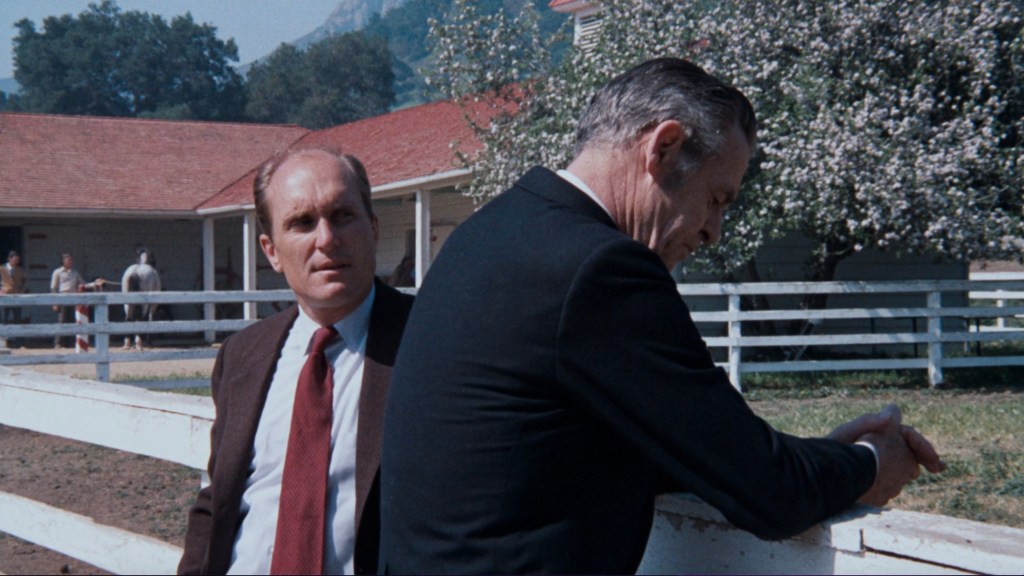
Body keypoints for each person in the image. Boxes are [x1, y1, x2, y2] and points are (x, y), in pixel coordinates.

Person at [378, 58, 946, 574]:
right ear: (664, 147)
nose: (714, 231)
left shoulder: (486, 234)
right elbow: (770, 493)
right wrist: (873, 462)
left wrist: (824, 458)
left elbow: (675, 448)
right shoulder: (600, 270)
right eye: (717, 199)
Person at [178, 146, 414, 575]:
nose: (327, 239)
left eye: (343, 215)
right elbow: (216, 501)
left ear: (374, 228)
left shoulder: (427, 343)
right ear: (271, 250)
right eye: (302, 222)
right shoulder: (242, 356)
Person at [50, 252, 103, 349]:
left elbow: (83, 284)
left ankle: (68, 343)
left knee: (72, 321)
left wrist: (94, 284)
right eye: (69, 260)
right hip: (62, 298)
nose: (71, 261)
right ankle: (58, 343)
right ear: (63, 261)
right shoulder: (57, 272)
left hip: (74, 299)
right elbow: (54, 288)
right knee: (62, 321)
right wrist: (55, 302)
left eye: (71, 260)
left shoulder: (75, 273)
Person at [121, 248, 162, 350]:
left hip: (128, 275)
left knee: (129, 311)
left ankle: (127, 340)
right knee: (144, 311)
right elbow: (154, 307)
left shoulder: (130, 269)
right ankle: (139, 340)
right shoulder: (152, 272)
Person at [1, 250, 28, 324]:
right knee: (4, 317)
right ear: (10, 259)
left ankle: (17, 331)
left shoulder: (20, 270)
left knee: (17, 317)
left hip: (17, 295)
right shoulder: (2, 269)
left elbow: (24, 281)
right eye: (15, 259)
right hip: (5, 296)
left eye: (18, 260)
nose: (17, 261)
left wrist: (22, 290)